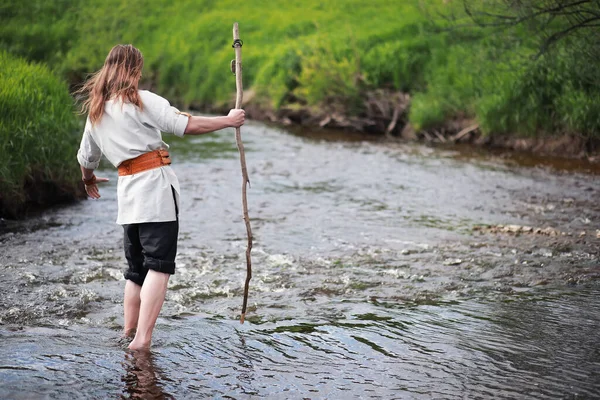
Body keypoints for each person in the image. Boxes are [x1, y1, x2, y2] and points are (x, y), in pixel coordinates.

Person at [76, 44, 245, 350]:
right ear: (134, 69)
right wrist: (229, 120)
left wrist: (88, 181)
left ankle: (129, 331)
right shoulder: (141, 101)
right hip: (154, 190)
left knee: (135, 270)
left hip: (127, 196)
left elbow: (86, 158)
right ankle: (141, 341)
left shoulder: (96, 110)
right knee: (159, 265)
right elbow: (186, 125)